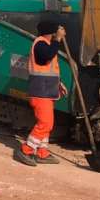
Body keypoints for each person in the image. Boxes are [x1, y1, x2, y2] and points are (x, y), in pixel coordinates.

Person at [15, 20, 68, 166]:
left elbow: (49, 69)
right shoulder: (40, 44)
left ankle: (42, 152)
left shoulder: (46, 44)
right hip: (40, 92)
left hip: (47, 91)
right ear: (52, 31)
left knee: (48, 123)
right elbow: (46, 57)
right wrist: (58, 40)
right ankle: (26, 149)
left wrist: (59, 84)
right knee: (45, 123)